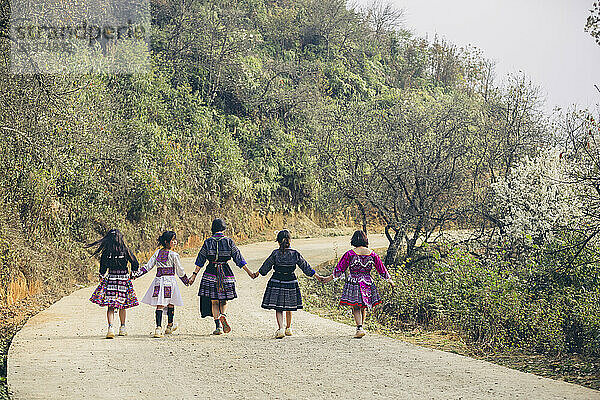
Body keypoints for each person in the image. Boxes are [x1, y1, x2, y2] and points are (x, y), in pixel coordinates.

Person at [253, 230, 326, 339]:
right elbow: (306, 267)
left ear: (278, 241)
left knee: (279, 307)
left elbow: (265, 266)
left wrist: (256, 274)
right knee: (289, 306)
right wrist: (317, 276)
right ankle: (288, 328)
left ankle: (280, 328)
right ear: (290, 241)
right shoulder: (295, 254)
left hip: (277, 280)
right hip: (291, 281)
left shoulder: (275, 253)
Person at [321, 230, 394, 338]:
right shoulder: (372, 254)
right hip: (367, 282)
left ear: (353, 240)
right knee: (363, 306)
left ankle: (359, 328)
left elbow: (340, 268)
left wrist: (328, 278)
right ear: (365, 240)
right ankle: (360, 327)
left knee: (356, 306)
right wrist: (389, 280)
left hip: (354, 282)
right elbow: (381, 269)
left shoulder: (350, 254)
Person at [188, 218, 255, 335]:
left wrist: (194, 275)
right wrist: (249, 272)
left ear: (213, 229)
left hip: (211, 272)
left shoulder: (208, 242)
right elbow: (238, 257)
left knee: (214, 301)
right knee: (223, 301)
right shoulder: (229, 242)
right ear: (224, 229)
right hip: (225, 272)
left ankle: (218, 326)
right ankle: (223, 315)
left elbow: (200, 260)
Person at [133, 231, 190, 338]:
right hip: (170, 281)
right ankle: (169, 326)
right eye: (173, 240)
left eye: (175, 240)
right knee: (171, 303)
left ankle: (158, 328)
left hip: (159, 282)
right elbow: (179, 270)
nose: (175, 242)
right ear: (166, 242)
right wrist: (186, 281)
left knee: (160, 304)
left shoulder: (157, 253)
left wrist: (137, 274)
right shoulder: (174, 255)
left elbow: (148, 266)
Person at [88, 229, 140, 339]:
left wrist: (101, 276)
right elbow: (135, 262)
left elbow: (103, 267)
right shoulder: (125, 250)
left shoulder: (106, 252)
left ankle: (110, 328)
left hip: (111, 278)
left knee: (110, 306)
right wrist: (133, 272)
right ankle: (122, 328)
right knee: (122, 304)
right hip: (123, 280)